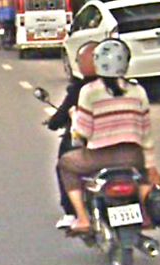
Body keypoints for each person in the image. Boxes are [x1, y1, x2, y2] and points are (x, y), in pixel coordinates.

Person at [58, 38, 160, 235]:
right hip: (132, 156)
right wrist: (151, 165)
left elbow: (84, 132)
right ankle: (144, 215)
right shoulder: (138, 91)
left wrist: (74, 117)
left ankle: (82, 218)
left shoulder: (89, 92)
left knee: (66, 164)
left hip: (97, 157)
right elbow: (146, 134)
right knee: (144, 176)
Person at [46, 48, 97, 229]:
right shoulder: (128, 87)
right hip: (125, 148)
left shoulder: (82, 89)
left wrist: (54, 122)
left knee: (65, 166)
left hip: (92, 144)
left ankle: (73, 213)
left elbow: (62, 115)